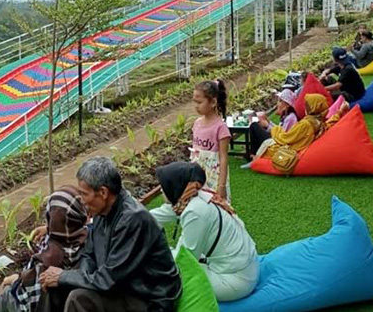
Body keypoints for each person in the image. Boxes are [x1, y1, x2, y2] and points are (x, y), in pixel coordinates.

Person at [38, 157, 181, 312]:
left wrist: (65, 277)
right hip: (120, 285)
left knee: (79, 298)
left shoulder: (132, 219)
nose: (82, 201)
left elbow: (109, 279)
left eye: (84, 194)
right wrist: (71, 277)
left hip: (147, 297)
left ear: (103, 192)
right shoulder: (101, 211)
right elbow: (88, 254)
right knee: (53, 285)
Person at [0, 186, 88, 312]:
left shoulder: (53, 256)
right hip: (48, 293)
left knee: (10, 291)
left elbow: (30, 289)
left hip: (29, 304)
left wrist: (17, 280)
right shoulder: (81, 236)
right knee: (13, 282)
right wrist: (48, 229)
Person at [149, 162, 259, 302]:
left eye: (163, 186)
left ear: (175, 186)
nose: (161, 191)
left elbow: (187, 261)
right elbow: (151, 216)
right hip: (246, 269)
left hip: (235, 281)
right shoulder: (192, 197)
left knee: (160, 269)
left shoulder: (195, 211)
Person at [190, 80, 231, 202]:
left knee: (217, 206)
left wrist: (221, 186)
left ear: (213, 102)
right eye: (194, 102)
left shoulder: (220, 128)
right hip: (197, 176)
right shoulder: (197, 123)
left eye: (199, 102)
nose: (196, 106)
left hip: (214, 177)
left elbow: (223, 158)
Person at [254, 94, 330, 160]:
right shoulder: (318, 122)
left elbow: (286, 138)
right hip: (291, 145)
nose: (305, 107)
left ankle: (254, 159)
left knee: (255, 127)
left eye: (307, 105)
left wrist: (272, 128)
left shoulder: (305, 124)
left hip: (289, 149)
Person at [248, 89, 298, 156]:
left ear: (287, 105)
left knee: (254, 126)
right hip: (278, 140)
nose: (278, 103)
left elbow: (281, 136)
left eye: (280, 101)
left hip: (279, 143)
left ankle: (254, 155)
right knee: (257, 126)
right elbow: (278, 129)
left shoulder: (290, 118)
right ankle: (254, 154)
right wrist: (267, 120)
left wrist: (267, 125)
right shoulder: (286, 116)